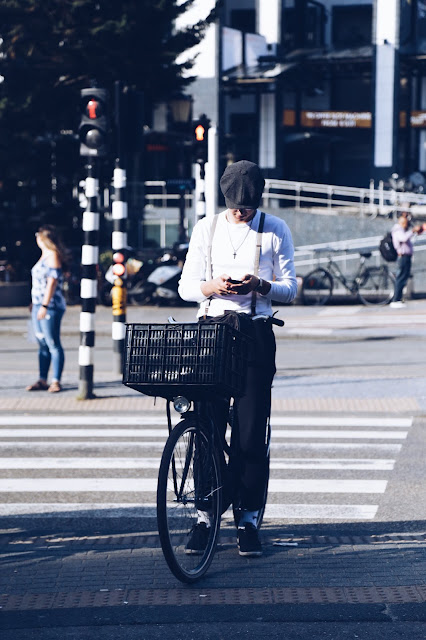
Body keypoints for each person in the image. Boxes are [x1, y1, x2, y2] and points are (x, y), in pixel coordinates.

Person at [178, 160, 297, 557]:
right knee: (206, 427)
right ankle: (205, 516)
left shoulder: (275, 229)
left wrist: (260, 285)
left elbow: (290, 289)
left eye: (246, 206)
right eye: (234, 206)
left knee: (249, 432)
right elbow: (185, 287)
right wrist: (210, 286)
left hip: (254, 333)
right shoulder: (206, 228)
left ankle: (247, 519)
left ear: (258, 199)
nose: (239, 212)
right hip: (211, 333)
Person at [26, 225, 67, 393]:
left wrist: (44, 305)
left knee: (52, 343)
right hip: (38, 304)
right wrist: (34, 303)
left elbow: (52, 282)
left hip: (50, 306)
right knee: (42, 343)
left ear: (43, 238)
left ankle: (56, 380)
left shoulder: (53, 256)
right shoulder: (44, 256)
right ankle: (42, 379)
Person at [390, 211, 425, 308]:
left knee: (403, 278)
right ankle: (396, 300)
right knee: (400, 278)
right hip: (403, 257)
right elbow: (403, 238)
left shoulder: (402, 229)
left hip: (406, 256)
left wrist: (416, 231)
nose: (407, 225)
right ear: (401, 222)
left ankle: (399, 299)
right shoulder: (397, 230)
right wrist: (413, 230)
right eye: (405, 223)